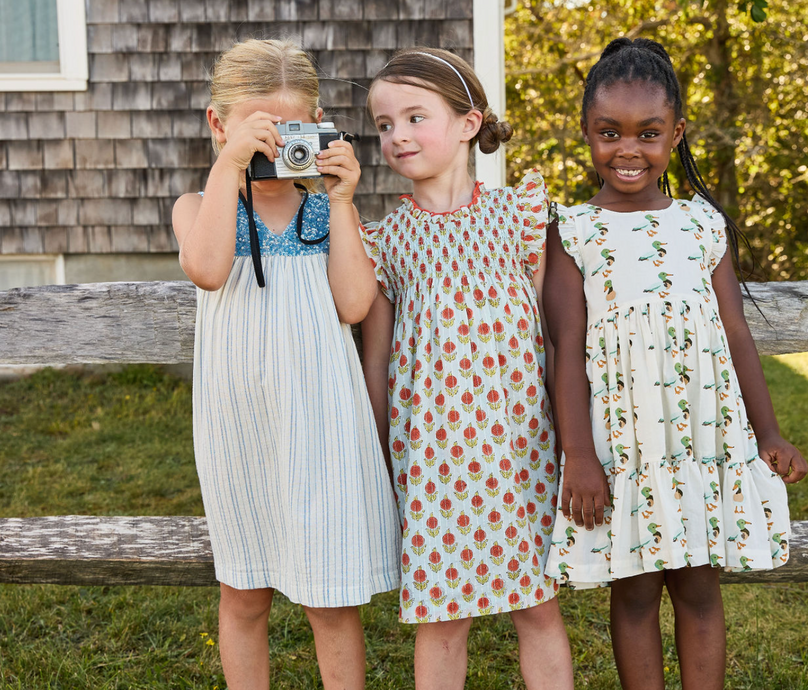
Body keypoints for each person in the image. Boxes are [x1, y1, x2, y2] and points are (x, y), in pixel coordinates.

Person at [542, 38, 808, 690]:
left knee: (698, 588)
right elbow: (564, 351)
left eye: (647, 133)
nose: (627, 150)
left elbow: (737, 334)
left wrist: (768, 431)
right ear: (586, 133)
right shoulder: (571, 230)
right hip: (623, 448)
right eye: (609, 133)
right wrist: (578, 455)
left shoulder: (702, 226)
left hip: (700, 441)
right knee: (633, 595)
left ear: (676, 133)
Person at [171, 38, 399, 690]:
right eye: (257, 128)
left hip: (321, 424)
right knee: (244, 593)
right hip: (237, 429)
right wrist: (228, 168)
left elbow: (355, 305)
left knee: (330, 598)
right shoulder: (198, 207)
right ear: (219, 126)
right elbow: (209, 269)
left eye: (288, 129)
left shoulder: (322, 208)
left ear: (316, 124)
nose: (273, 145)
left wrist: (346, 200)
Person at [359, 48, 574, 690]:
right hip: (432, 456)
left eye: (415, 117)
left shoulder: (520, 217)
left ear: (467, 124)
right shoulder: (388, 240)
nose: (397, 135)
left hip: (522, 448)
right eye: (384, 124)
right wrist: (375, 456)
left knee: (537, 604)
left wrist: (573, 443)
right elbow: (377, 357)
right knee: (442, 620)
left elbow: (557, 337)